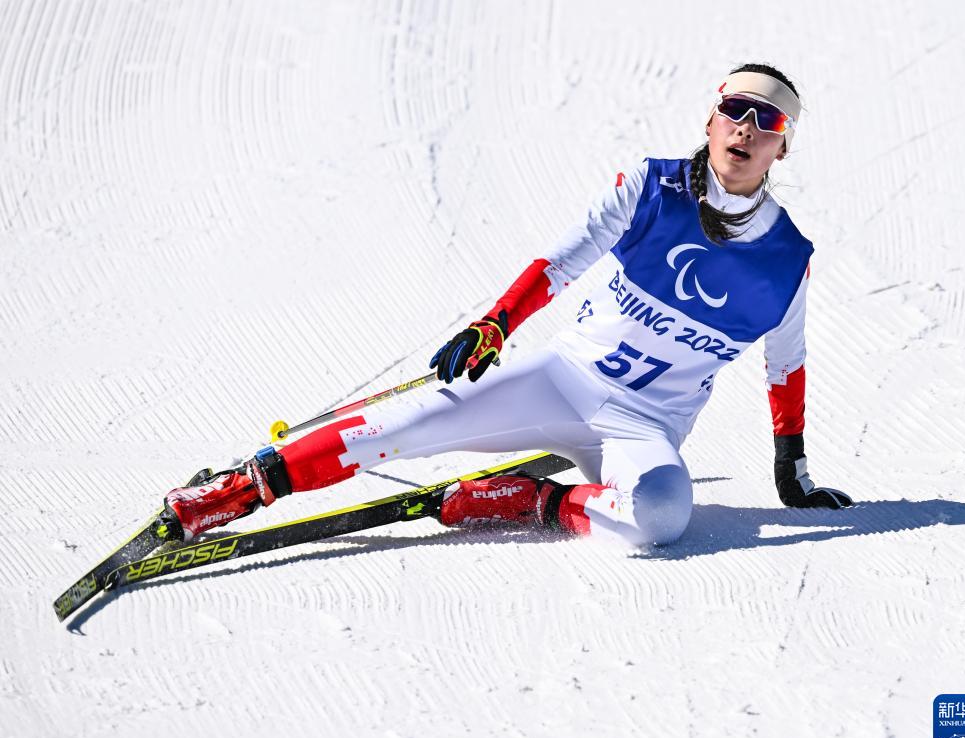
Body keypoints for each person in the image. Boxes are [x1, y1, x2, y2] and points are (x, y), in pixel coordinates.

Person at [158, 63, 852, 548]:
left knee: (661, 517)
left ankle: (528, 500)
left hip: (644, 426)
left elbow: (784, 367)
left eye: (768, 121)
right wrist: (496, 323)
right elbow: (562, 260)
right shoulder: (649, 187)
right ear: (710, 118)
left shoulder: (786, 257)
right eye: (735, 109)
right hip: (560, 380)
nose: (746, 129)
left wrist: (791, 470)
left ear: (781, 146)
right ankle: (236, 492)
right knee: (400, 427)